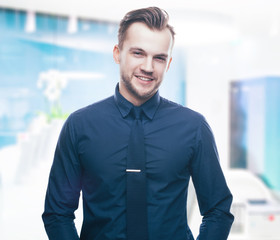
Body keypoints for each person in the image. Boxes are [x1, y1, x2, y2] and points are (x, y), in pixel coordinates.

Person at [42, 6, 234, 240]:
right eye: (138, 53)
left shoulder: (194, 127)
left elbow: (218, 210)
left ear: (169, 63)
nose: (148, 67)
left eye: (159, 58)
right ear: (117, 53)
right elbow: (57, 213)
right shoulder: (80, 126)